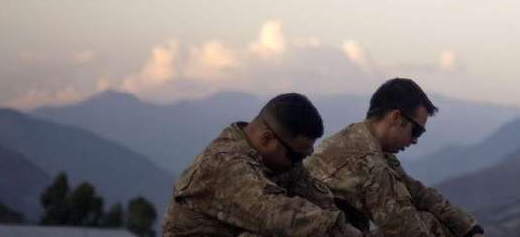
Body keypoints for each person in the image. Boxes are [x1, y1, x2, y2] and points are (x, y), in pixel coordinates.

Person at [161, 92, 361, 237]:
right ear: (267, 139)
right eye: (296, 156)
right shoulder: (223, 164)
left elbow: (321, 203)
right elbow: (281, 216)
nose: (299, 163)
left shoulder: (281, 161)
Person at [306, 78, 482, 237]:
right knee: (431, 224)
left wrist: (468, 229)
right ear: (396, 117)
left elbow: (418, 193)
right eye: (416, 131)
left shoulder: (360, 139)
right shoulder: (368, 162)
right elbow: (405, 228)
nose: (414, 141)